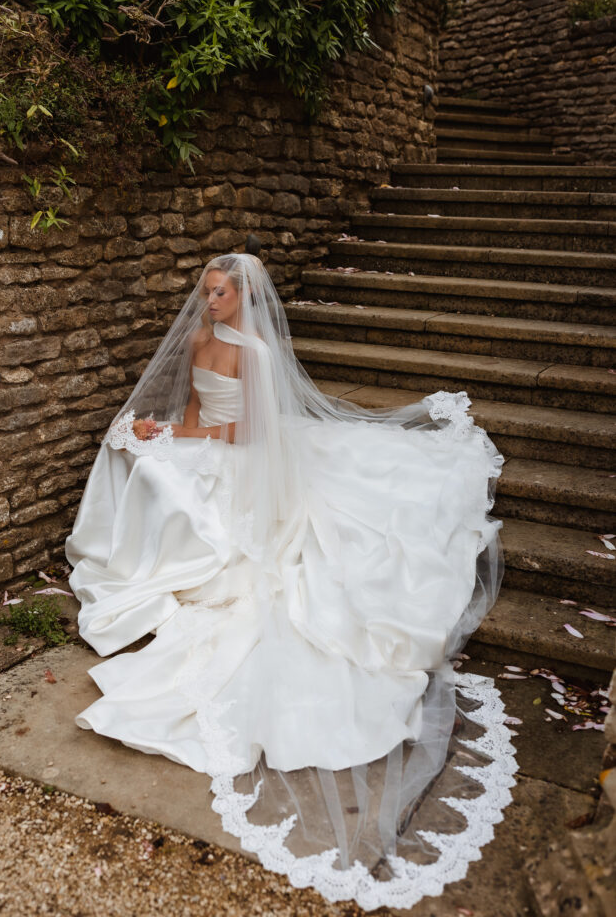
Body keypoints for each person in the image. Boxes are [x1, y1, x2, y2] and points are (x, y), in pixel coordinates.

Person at [65, 251, 517, 910]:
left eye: (219, 294)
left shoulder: (256, 354)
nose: (208, 303)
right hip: (210, 437)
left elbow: (248, 431)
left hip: (247, 455)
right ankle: (134, 560)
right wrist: (165, 428)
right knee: (132, 447)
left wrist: (186, 438)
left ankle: (180, 550)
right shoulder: (198, 336)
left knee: (175, 470)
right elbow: (193, 401)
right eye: (205, 293)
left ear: (245, 297)